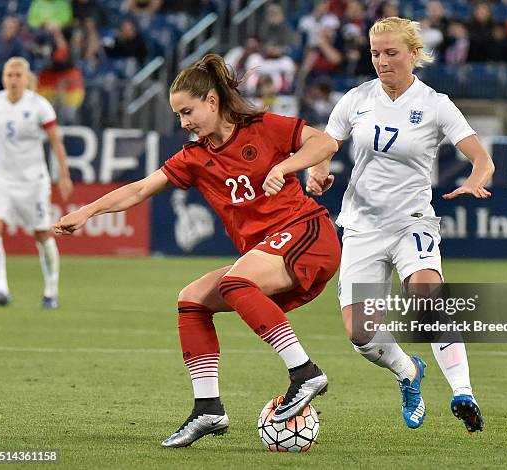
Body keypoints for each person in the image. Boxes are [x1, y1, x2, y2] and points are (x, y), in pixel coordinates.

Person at [54, 54, 341, 447]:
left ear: (212, 101)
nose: (183, 122)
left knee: (237, 280)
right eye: (178, 116)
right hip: (269, 250)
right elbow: (139, 189)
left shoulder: (261, 126)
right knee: (191, 299)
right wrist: (87, 211)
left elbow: (325, 142)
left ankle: (304, 372)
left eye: (187, 112)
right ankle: (208, 408)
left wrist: (286, 167)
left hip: (308, 234)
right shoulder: (195, 157)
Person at [305, 17, 494, 432]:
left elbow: (482, 159)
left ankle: (463, 392)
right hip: (362, 226)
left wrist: (475, 182)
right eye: (376, 54)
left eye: (391, 53)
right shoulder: (356, 99)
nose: (382, 61)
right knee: (360, 332)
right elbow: (324, 143)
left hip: (412, 221)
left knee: (427, 292)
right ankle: (409, 372)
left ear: (413, 53)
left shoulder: (436, 104)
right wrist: (317, 170)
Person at [0, 57, 73, 308]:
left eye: (18, 75)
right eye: (9, 75)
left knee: (42, 234)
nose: (13, 80)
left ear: (26, 79)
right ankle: (1, 289)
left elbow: (56, 142)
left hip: (33, 181)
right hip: (1, 179)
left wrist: (64, 174)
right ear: (3, 77)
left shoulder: (39, 106)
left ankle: (50, 292)